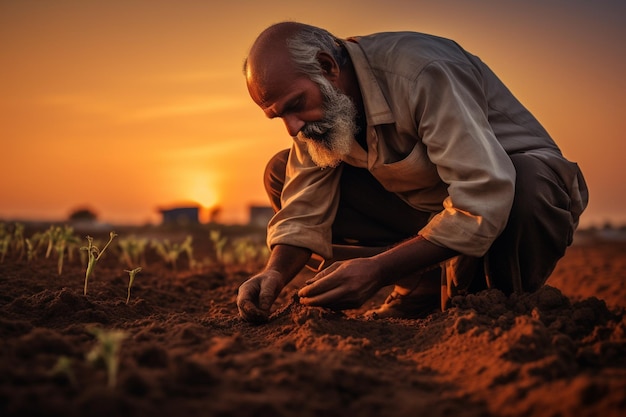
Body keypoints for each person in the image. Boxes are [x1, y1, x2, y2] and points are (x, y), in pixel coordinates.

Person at [236, 21, 588, 324]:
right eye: (278, 116)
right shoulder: (318, 112)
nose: (292, 127)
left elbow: (483, 197)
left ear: (327, 67)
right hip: (431, 207)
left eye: (295, 106)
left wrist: (379, 269)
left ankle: (493, 300)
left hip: (509, 198)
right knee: (282, 172)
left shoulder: (421, 71)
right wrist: (274, 274)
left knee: (530, 183)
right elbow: (304, 209)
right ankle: (420, 283)